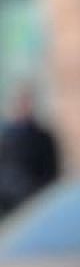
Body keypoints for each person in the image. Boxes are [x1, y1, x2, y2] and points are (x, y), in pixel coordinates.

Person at [0, 83, 60, 217]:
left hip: (35, 197)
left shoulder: (43, 136)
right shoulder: (7, 135)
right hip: (13, 199)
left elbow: (51, 168)